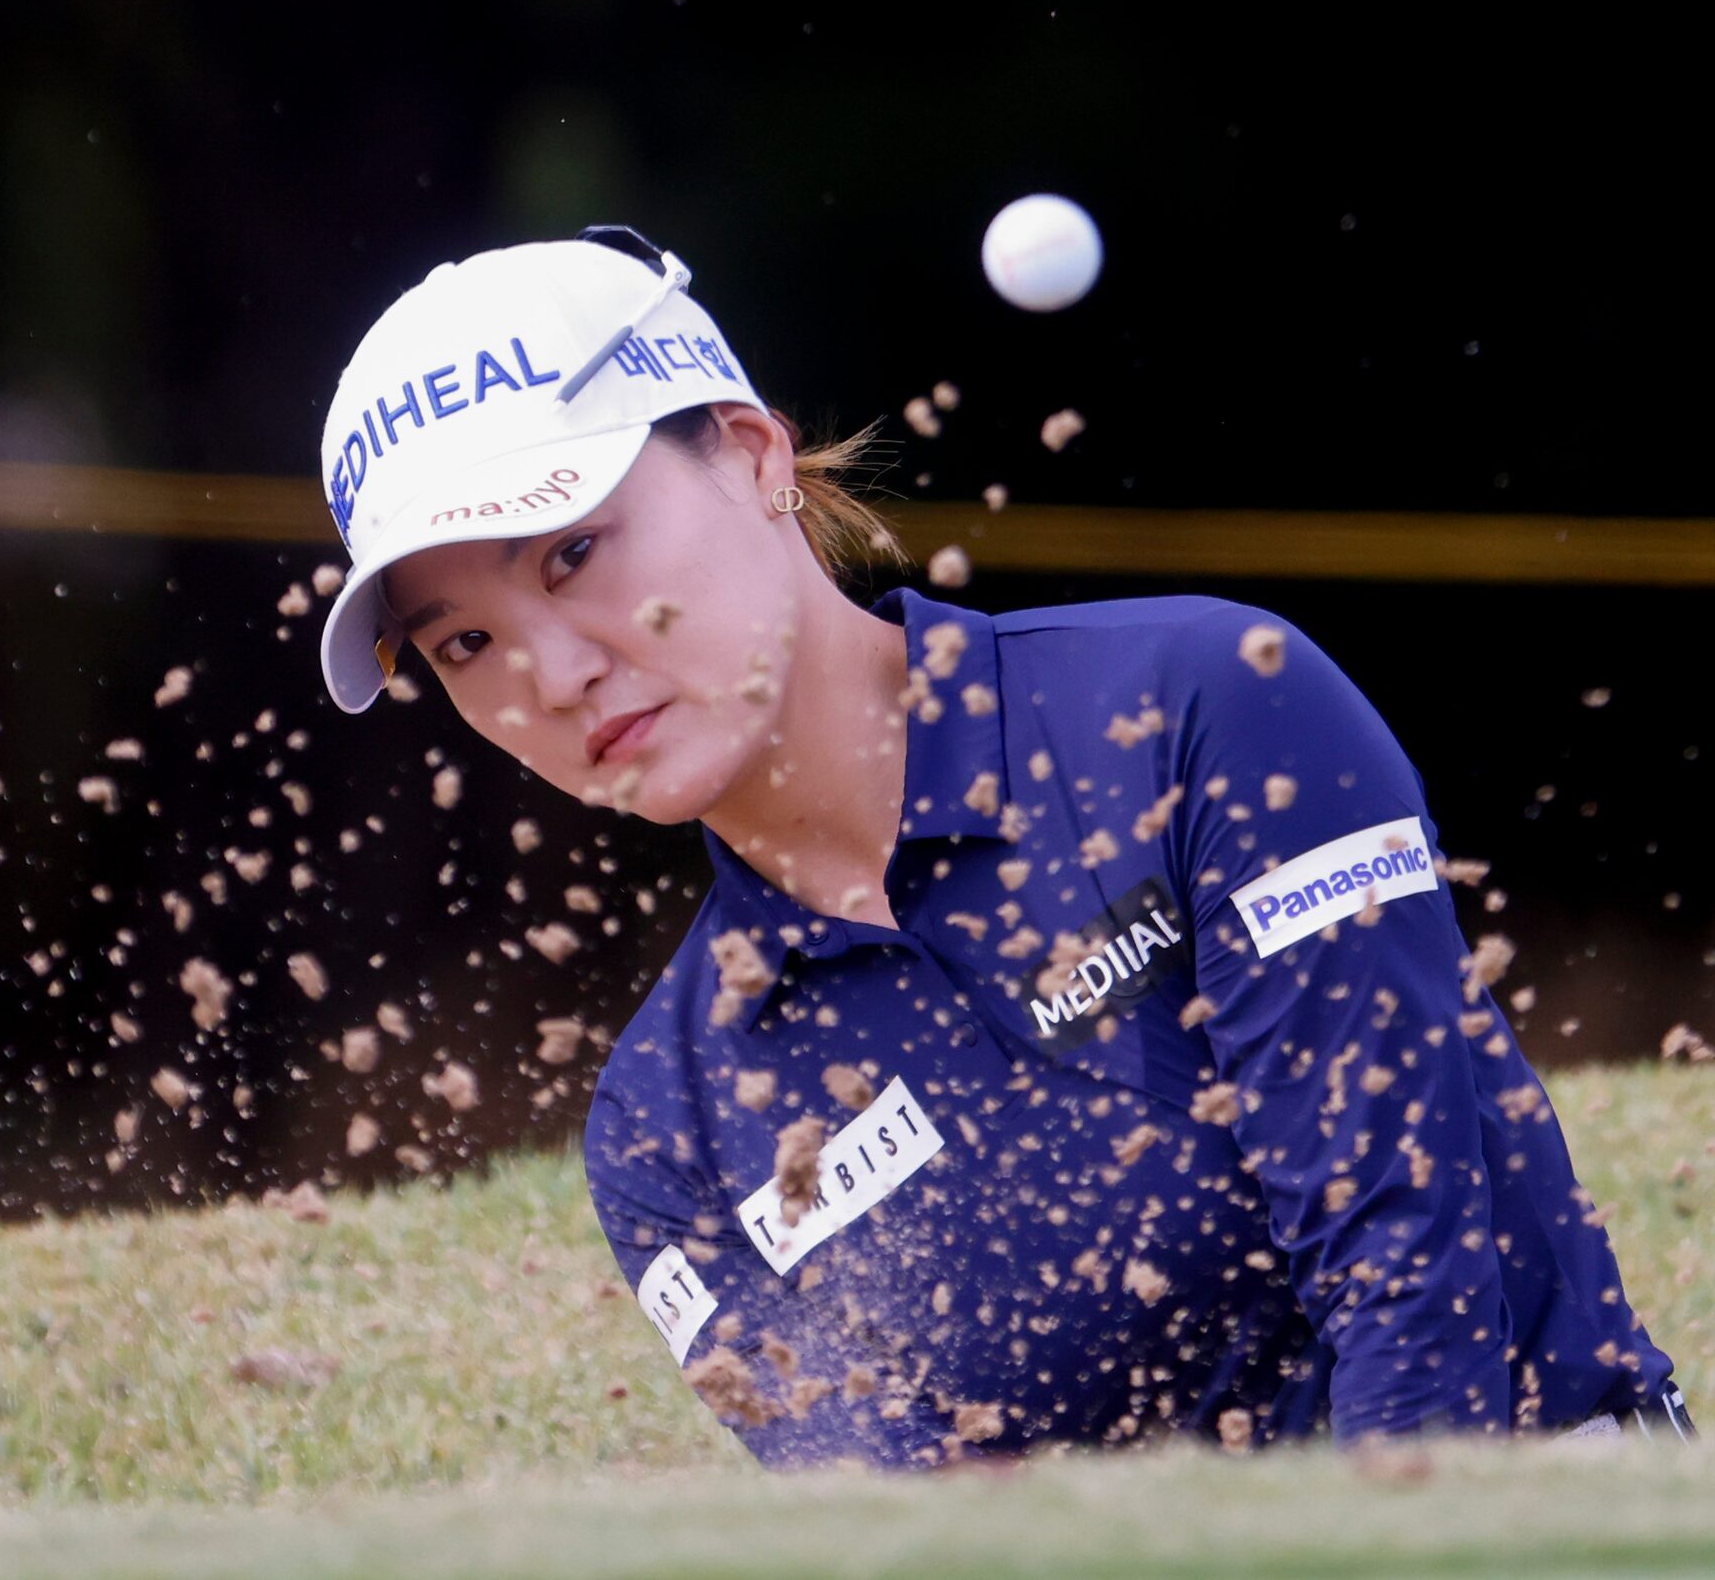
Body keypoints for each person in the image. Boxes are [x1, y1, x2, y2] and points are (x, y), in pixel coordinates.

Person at [312, 226, 1690, 1464]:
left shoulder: (1200, 702)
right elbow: (930, 1540)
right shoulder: (666, 1126)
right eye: (465, 642)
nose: (550, 672)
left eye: (573, 552)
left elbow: (1412, 1278)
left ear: (752, 457)